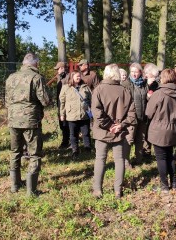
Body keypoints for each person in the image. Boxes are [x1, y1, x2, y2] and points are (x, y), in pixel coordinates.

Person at [5, 52, 50, 195]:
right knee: (34, 153)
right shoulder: (37, 78)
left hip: (13, 119)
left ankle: (15, 185)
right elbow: (45, 101)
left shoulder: (11, 77)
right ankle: (31, 190)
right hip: (30, 120)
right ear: (36, 64)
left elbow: (7, 100)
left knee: (15, 151)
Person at [91, 64, 136, 198]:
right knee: (120, 160)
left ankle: (98, 189)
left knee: (100, 159)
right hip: (118, 131)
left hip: (102, 131)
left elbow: (96, 112)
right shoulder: (125, 91)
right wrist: (120, 125)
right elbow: (132, 114)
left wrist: (108, 125)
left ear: (105, 74)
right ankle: (118, 190)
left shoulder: (98, 90)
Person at [145, 69, 176, 193]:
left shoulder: (159, 93)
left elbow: (148, 113)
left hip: (159, 130)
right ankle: (174, 183)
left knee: (161, 158)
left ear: (163, 78)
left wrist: (150, 99)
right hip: (174, 128)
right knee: (170, 156)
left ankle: (164, 186)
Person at [59, 71, 92, 159]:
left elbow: (91, 99)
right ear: (72, 77)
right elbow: (62, 102)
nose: (79, 78)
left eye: (79, 76)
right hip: (71, 115)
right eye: (77, 76)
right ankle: (75, 150)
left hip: (84, 114)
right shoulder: (66, 88)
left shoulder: (85, 87)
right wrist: (62, 114)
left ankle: (88, 149)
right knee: (73, 134)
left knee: (86, 133)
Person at [122, 63, 149, 164]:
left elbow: (146, 98)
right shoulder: (125, 84)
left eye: (136, 72)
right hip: (131, 117)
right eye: (132, 71)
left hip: (142, 116)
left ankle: (139, 159)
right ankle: (125, 162)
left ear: (140, 72)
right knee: (129, 139)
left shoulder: (144, 84)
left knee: (140, 139)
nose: (134, 74)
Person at [54, 61, 70, 149]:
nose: (57, 71)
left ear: (63, 68)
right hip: (60, 104)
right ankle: (65, 141)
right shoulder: (59, 77)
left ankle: (67, 142)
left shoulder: (69, 78)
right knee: (62, 124)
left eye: (58, 69)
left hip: (66, 104)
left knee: (66, 123)